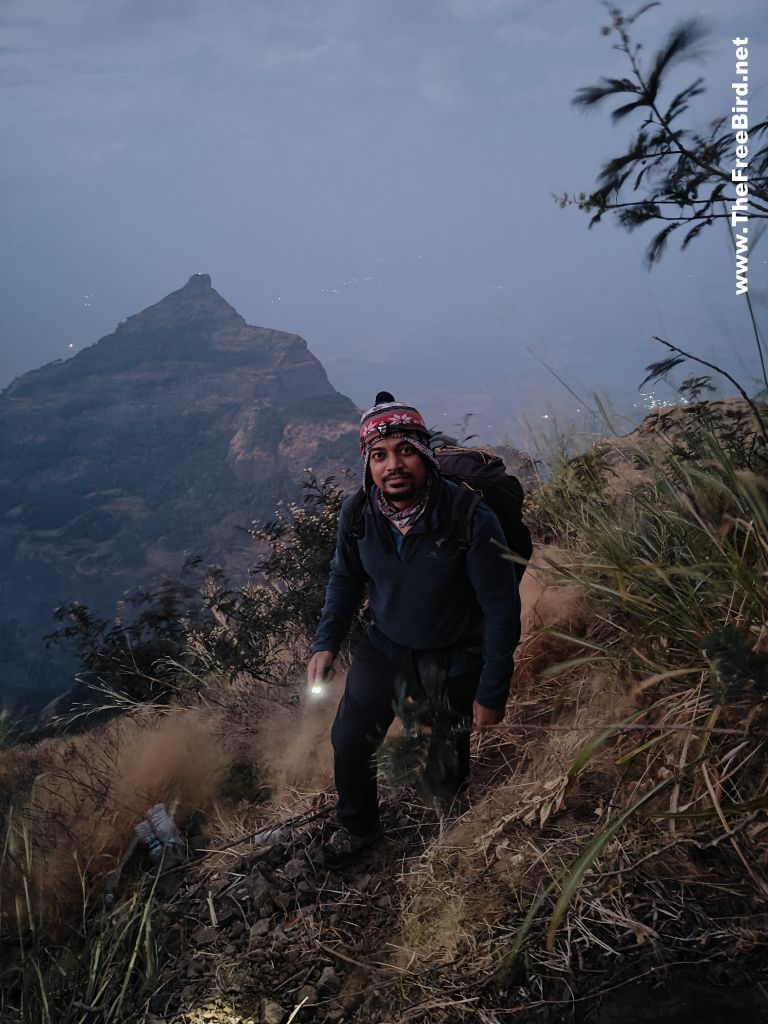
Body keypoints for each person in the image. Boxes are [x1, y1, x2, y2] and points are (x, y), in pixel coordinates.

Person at [307, 393, 521, 867]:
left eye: (404, 450)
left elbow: (501, 607)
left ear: (424, 453)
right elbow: (344, 578)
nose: (393, 465)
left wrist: (492, 691)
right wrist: (326, 640)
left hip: (453, 657)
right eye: (379, 455)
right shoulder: (359, 514)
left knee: (445, 756)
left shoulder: (468, 516)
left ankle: (451, 836)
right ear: (367, 463)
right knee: (350, 740)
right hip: (384, 646)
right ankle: (358, 827)